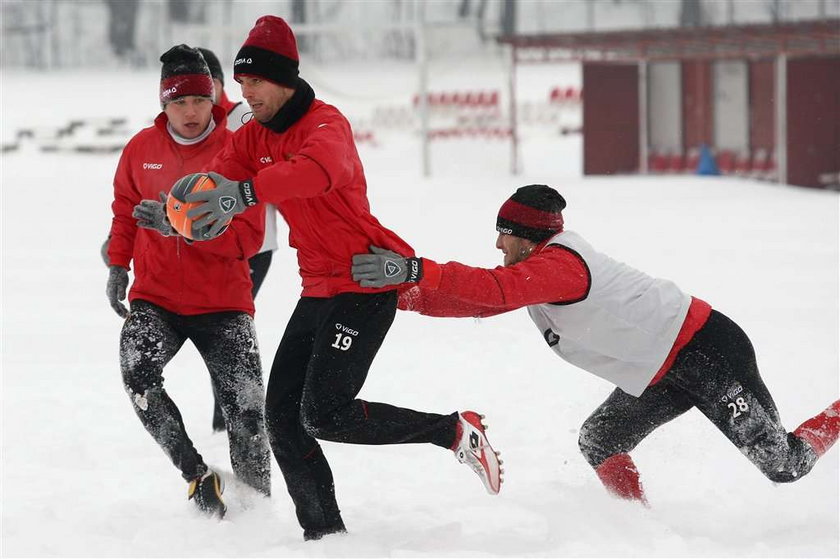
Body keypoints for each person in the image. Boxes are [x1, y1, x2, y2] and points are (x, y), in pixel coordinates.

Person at [177, 16, 502, 540]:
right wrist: (191, 209)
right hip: (318, 289)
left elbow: (314, 173)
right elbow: (222, 175)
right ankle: (325, 537)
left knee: (325, 415)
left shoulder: (328, 125)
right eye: (240, 83)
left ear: (283, 79)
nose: (246, 92)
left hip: (366, 282)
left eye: (255, 81)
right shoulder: (251, 137)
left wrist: (241, 195)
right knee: (281, 419)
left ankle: (452, 430)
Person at [351, 184, 840, 504]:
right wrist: (405, 299)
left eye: (503, 234)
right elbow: (484, 304)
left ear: (526, 236)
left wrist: (414, 270)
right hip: (657, 372)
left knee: (784, 466)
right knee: (600, 440)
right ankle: (637, 529)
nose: (498, 245)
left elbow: (494, 291)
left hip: (706, 352)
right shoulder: (535, 272)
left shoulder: (559, 266)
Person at [105, 44, 271, 518]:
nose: (191, 111)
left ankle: (257, 512)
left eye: (199, 100)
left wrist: (179, 225)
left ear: (213, 96)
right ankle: (197, 474)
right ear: (164, 104)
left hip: (223, 303)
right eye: (179, 102)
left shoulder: (237, 151)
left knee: (246, 412)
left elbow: (248, 238)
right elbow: (124, 211)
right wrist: (119, 264)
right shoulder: (141, 148)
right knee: (137, 376)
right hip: (156, 299)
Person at [198, 47, 280, 433]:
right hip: (211, 245)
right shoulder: (191, 124)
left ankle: (233, 420)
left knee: (226, 326)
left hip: (253, 244)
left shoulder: (242, 117)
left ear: (216, 84)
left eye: (202, 88)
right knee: (218, 327)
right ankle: (229, 419)